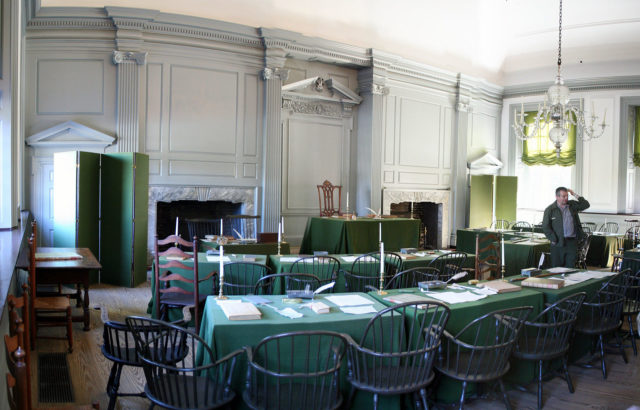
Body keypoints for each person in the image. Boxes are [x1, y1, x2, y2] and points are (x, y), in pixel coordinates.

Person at [542, 187, 590, 268]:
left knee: (570, 268)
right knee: (556, 269)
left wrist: (574, 194)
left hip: (572, 242)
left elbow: (586, 204)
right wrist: (553, 239)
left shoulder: (572, 205)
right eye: (563, 196)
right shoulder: (550, 210)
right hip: (557, 243)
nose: (566, 198)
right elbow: (546, 227)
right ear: (557, 197)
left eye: (567, 196)